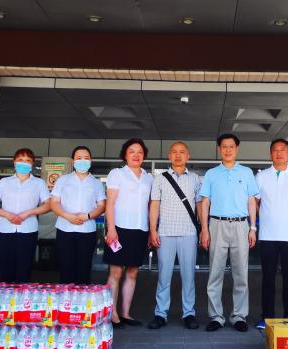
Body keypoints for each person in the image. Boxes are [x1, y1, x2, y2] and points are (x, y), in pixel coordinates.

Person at [199, 133, 259, 332]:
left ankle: (239, 316)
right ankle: (216, 316)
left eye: (231, 146)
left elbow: (252, 201)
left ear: (237, 149)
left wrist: (252, 228)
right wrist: (205, 229)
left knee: (241, 273)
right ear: (219, 149)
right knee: (215, 273)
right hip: (217, 225)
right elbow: (205, 202)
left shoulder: (247, 172)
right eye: (224, 146)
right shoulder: (211, 173)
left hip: (241, 226)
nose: (227, 150)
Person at [255, 138, 288, 329]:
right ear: (271, 154)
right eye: (275, 150)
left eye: (282, 150)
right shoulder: (261, 176)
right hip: (267, 236)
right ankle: (267, 317)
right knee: (268, 278)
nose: (279, 153)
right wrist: (264, 215)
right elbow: (255, 202)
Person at [148, 141, 203, 330]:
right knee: (164, 276)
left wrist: (204, 229)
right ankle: (160, 314)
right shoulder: (160, 179)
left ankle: (189, 313)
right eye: (174, 152)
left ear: (188, 156)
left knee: (189, 276)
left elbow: (200, 206)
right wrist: (153, 230)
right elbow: (154, 205)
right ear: (169, 156)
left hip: (189, 233)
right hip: (165, 233)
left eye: (182, 152)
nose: (178, 155)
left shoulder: (195, 179)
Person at [104, 138, 154, 327]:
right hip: (119, 229)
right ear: (125, 155)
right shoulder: (117, 174)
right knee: (116, 271)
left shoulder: (149, 178)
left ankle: (125, 313)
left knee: (133, 272)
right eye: (132, 151)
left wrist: (150, 231)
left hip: (140, 229)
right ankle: (112, 313)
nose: (136, 155)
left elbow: (150, 206)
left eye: (140, 152)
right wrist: (111, 228)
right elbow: (110, 203)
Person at [0, 148, 51, 284]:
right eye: (20, 160)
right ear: (14, 162)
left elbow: (48, 205)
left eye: (27, 160)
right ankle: (6, 296)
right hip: (5, 230)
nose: (24, 163)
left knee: (24, 270)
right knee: (5, 271)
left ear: (32, 164)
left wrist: (29, 213)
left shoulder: (39, 183)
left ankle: (22, 297)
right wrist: (6, 214)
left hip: (28, 230)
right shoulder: (4, 182)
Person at [50, 146, 106, 285]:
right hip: (65, 229)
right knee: (65, 268)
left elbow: (101, 206)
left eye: (86, 158)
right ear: (73, 161)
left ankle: (82, 297)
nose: (82, 161)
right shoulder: (63, 180)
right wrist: (67, 216)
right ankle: (65, 298)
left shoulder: (96, 183)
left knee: (84, 269)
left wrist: (88, 216)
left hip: (87, 230)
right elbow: (54, 203)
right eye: (79, 158)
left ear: (91, 161)